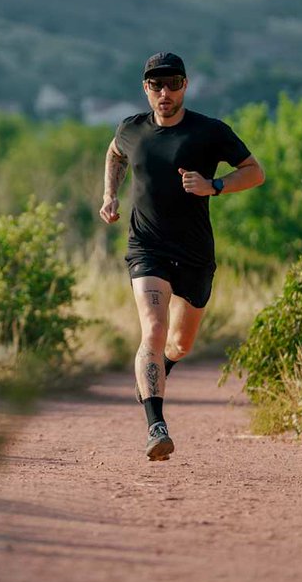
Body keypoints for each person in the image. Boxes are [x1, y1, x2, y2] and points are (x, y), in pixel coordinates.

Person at [99, 52, 265, 461]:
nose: (164, 93)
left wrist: (215, 185)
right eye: (156, 85)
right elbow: (115, 153)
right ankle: (156, 426)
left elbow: (254, 171)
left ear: (185, 85)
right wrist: (109, 195)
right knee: (152, 331)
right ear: (146, 89)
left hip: (193, 253)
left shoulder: (209, 132)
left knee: (179, 343)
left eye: (172, 84)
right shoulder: (131, 128)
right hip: (146, 247)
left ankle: (158, 370)